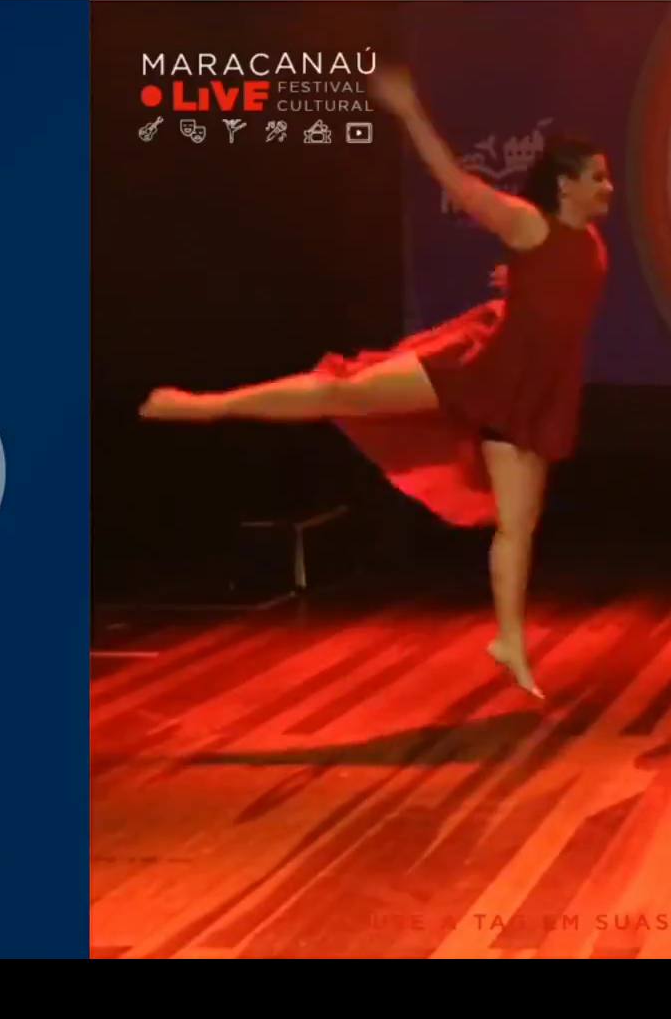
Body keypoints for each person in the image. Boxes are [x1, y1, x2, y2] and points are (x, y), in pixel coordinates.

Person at [138, 65, 614, 701]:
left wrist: (519, 286)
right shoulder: (530, 223)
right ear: (566, 184)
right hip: (481, 368)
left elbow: (554, 295)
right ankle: (207, 406)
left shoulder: (586, 240)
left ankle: (509, 641)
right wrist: (410, 110)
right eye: (598, 177)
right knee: (345, 392)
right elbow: (459, 184)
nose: (608, 186)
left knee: (518, 525)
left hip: (528, 398)